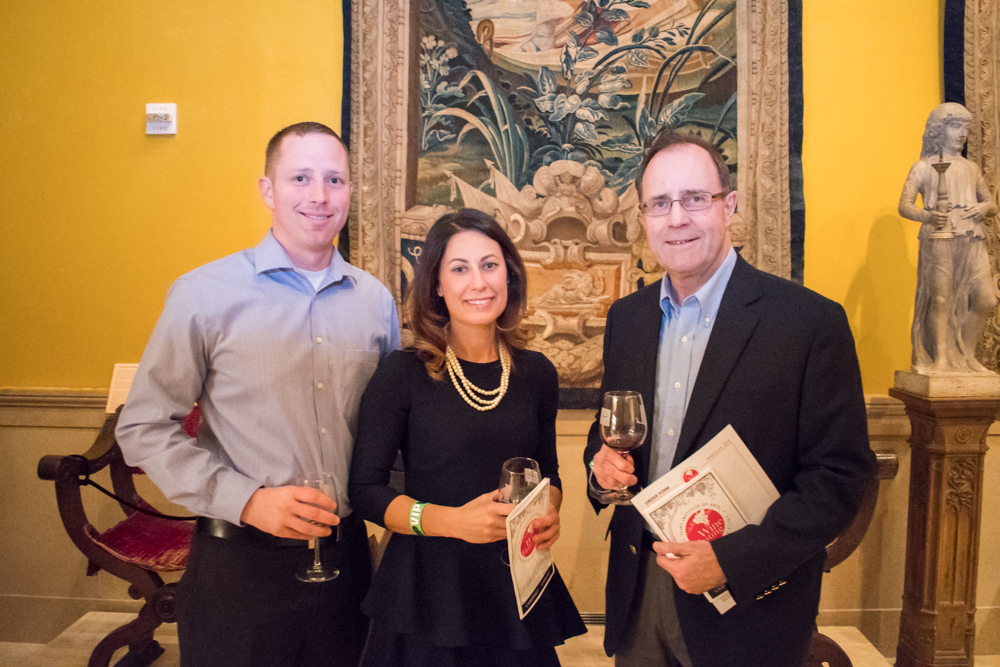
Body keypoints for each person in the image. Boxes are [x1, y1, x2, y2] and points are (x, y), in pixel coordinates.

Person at [584, 131, 876, 667]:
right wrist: (601, 473)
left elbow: (839, 479)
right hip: (639, 595)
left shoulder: (810, 323)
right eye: (659, 203)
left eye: (695, 199)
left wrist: (731, 561)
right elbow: (605, 438)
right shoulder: (627, 319)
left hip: (749, 613)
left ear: (729, 205)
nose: (677, 218)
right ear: (644, 217)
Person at [116, 122, 400, 666]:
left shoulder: (374, 302)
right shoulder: (204, 294)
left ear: (349, 192)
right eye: (301, 178)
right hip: (238, 566)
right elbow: (143, 427)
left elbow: (392, 433)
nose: (320, 195)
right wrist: (246, 500)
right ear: (268, 190)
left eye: (334, 180)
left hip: (347, 565)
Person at [349, 209, 586, 667]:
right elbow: (365, 491)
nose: (478, 282)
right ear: (437, 285)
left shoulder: (537, 373)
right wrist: (451, 522)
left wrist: (550, 511)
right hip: (427, 593)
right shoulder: (402, 373)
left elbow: (549, 473)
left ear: (509, 275)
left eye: (489, 265)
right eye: (459, 268)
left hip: (516, 585)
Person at [898, 102, 998, 374]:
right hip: (939, 238)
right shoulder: (922, 167)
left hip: (972, 236)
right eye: (956, 126)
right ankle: (941, 359)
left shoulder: (971, 168)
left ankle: (966, 355)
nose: (962, 133)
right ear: (938, 130)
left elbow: (991, 204)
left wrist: (983, 208)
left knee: (986, 299)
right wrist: (927, 216)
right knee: (941, 299)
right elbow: (905, 206)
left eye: (966, 127)